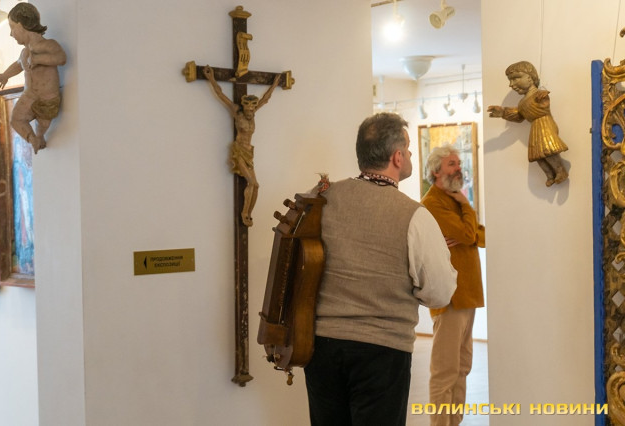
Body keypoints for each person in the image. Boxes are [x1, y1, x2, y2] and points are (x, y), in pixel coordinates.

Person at [304, 112, 457, 426]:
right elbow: (440, 292)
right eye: (408, 149)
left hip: (321, 346)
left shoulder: (322, 199)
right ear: (397, 157)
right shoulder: (413, 215)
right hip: (382, 350)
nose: (410, 154)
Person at [421, 145, 485, 426]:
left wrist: (467, 227)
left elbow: (481, 236)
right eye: (451, 163)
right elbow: (469, 234)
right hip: (449, 297)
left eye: (458, 163)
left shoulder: (455, 201)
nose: (458, 168)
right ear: (436, 171)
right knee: (445, 371)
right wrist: (467, 208)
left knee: (462, 367)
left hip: (468, 295)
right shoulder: (433, 203)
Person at [202, 65, 280, 227]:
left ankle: (250, 213)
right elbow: (220, 94)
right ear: (244, 106)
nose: (250, 110)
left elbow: (266, 99)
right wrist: (211, 78)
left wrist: (275, 83)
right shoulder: (237, 112)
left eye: (252, 108)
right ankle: (244, 213)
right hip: (238, 151)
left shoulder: (253, 113)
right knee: (251, 182)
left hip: (249, 152)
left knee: (256, 185)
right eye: (248, 108)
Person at [0, 3, 67, 154]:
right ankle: (32, 139)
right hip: (29, 96)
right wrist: (5, 75)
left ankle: (39, 137)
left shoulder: (48, 45)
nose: (11, 34)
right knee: (15, 120)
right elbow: (18, 65)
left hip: (48, 98)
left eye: (12, 27)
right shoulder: (24, 52)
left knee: (42, 125)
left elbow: (61, 58)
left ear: (22, 25)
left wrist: (39, 59)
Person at [487, 60, 568, 186]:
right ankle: (550, 175)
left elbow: (544, 104)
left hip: (544, 124)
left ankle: (560, 171)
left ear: (530, 77)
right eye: (510, 80)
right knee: (537, 156)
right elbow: (519, 116)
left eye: (515, 79)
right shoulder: (522, 102)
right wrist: (503, 112)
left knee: (547, 151)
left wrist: (543, 95)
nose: (511, 84)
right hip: (535, 128)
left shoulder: (538, 94)